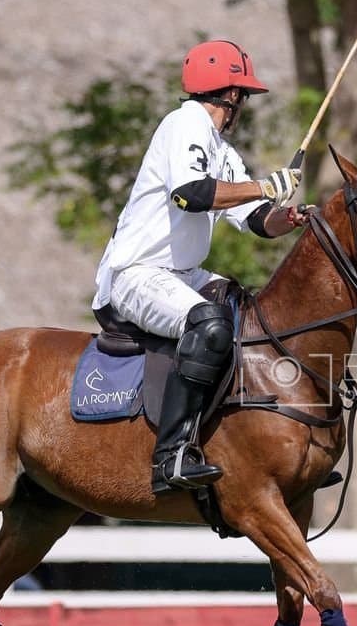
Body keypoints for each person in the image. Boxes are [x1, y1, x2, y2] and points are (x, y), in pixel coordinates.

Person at [91, 40, 307, 495]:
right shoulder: (184, 123)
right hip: (135, 273)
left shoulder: (222, 150)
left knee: (247, 313)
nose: (243, 105)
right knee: (210, 325)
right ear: (231, 95)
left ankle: (250, 442)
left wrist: (285, 216)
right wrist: (264, 185)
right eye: (243, 96)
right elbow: (190, 194)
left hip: (180, 274)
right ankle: (170, 456)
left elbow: (255, 220)